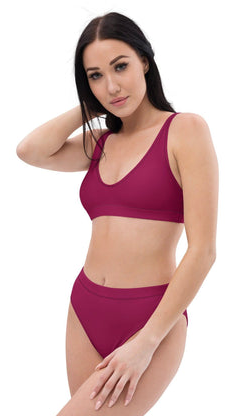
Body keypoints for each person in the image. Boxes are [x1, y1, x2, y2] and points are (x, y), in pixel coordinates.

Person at [16, 11, 218, 416]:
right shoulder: (101, 143)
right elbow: (30, 151)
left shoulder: (185, 131)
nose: (111, 85)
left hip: (151, 317)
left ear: (144, 61)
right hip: (85, 307)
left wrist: (146, 342)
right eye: (95, 75)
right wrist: (88, 108)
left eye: (120, 66)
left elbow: (203, 251)